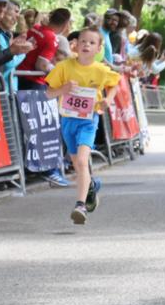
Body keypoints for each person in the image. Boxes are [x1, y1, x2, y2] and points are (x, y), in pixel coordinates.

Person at [45, 28, 120, 225]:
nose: (86, 45)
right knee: (78, 164)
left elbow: (115, 84)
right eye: (83, 41)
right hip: (68, 120)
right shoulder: (64, 67)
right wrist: (63, 89)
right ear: (75, 45)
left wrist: (108, 100)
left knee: (81, 161)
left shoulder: (101, 70)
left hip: (89, 120)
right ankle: (92, 186)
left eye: (91, 42)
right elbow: (48, 93)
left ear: (98, 49)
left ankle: (80, 205)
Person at [17, 8, 72, 90]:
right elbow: (41, 65)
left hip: (19, 74)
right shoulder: (52, 38)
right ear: (65, 25)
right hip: (34, 81)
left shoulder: (35, 27)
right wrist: (58, 70)